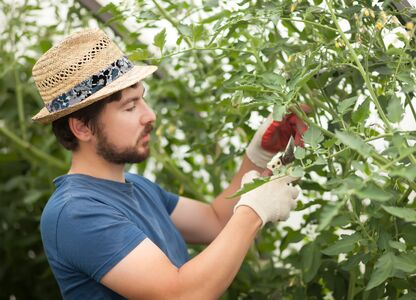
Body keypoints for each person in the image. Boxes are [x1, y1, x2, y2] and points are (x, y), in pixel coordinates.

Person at [32, 28, 308, 299]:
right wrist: (255, 210)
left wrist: (257, 156)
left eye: (143, 99)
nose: (149, 115)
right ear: (81, 128)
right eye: (130, 107)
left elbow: (217, 221)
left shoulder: (137, 188)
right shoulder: (75, 212)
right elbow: (181, 294)